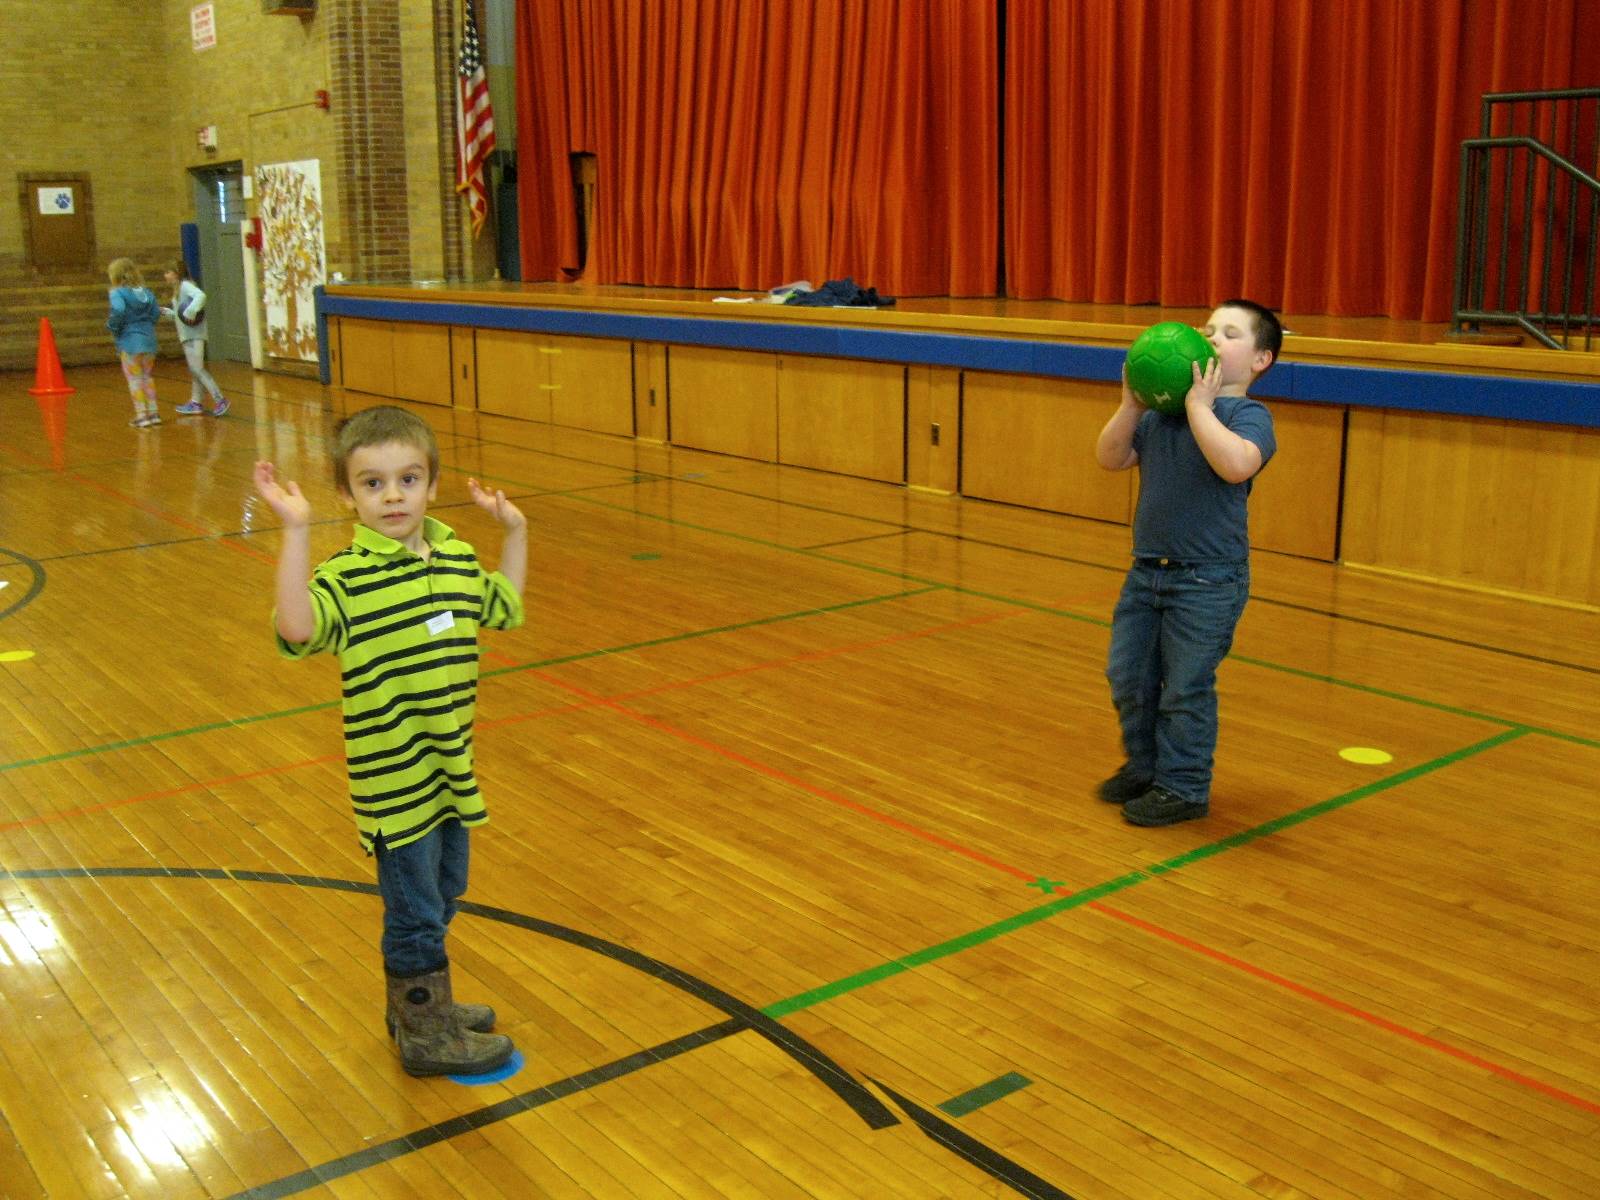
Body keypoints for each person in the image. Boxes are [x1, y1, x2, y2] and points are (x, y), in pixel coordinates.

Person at [252, 405, 529, 1076]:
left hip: (450, 775)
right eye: (373, 484)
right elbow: (295, 627)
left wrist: (515, 530)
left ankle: (417, 1007)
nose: (394, 495)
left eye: (408, 479)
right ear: (347, 495)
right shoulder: (346, 580)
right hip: (395, 787)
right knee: (415, 918)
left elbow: (504, 605)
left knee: (443, 895)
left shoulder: (457, 555)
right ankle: (426, 1034)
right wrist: (294, 532)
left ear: (431, 485)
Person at [1093, 300, 1282, 827]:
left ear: (1261, 359)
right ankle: (1146, 766)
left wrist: (1201, 406)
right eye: (1208, 329)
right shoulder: (1161, 414)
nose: (1212, 338)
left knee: (1184, 687)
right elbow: (1111, 457)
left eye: (1230, 333)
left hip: (1208, 579)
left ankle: (1183, 787)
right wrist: (1132, 404)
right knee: (1128, 675)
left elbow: (1236, 463)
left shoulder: (1246, 416)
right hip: (1146, 572)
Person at [160, 260, 228, 417]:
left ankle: (220, 399)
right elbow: (180, 315)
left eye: (168, 272)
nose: (165, 276)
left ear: (176, 272)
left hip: (195, 335)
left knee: (197, 369)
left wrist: (190, 311)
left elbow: (201, 296)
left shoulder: (185, 285)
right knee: (194, 370)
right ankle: (196, 402)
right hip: (187, 335)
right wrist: (168, 313)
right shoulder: (178, 290)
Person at [105, 258, 162, 428]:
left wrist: (113, 326)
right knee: (147, 376)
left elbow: (119, 310)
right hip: (149, 339)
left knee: (134, 379)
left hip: (130, 342)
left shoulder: (117, 293)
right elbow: (155, 313)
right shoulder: (145, 292)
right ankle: (153, 413)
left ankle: (142, 415)